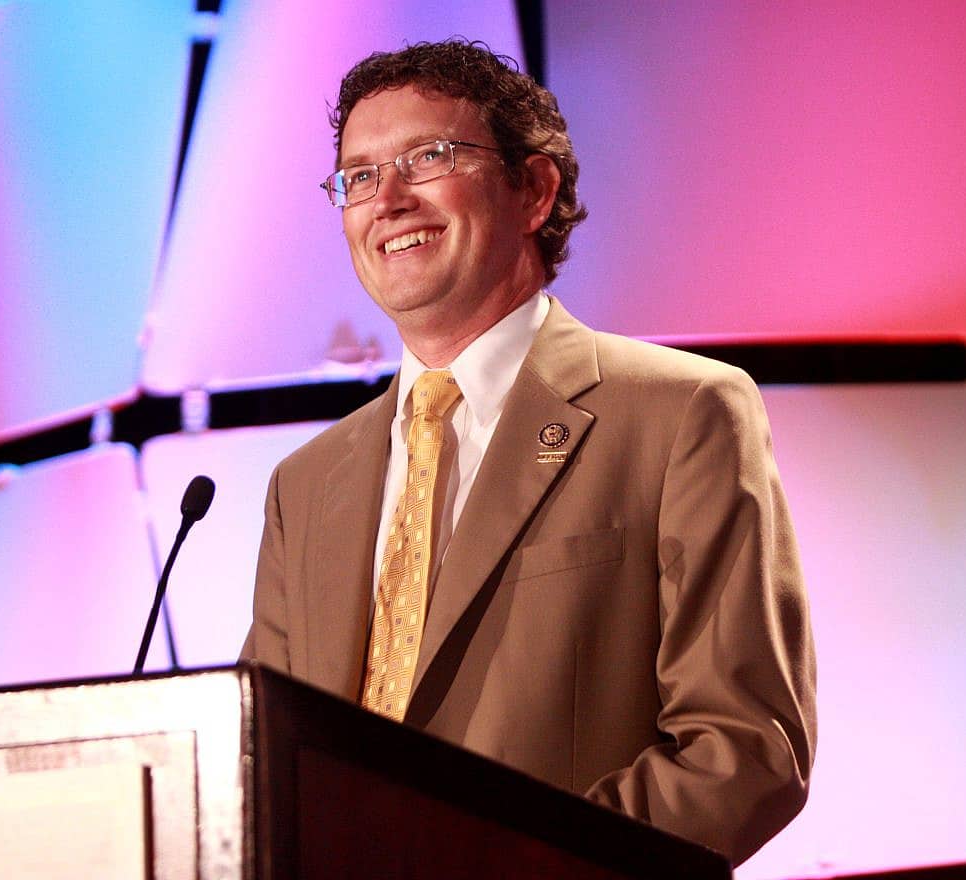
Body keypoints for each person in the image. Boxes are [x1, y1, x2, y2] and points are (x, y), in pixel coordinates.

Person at [241, 38, 816, 867]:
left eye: (428, 157)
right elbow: (262, 770)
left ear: (534, 190)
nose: (388, 199)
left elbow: (742, 749)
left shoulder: (680, 412)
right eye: (359, 176)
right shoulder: (305, 485)